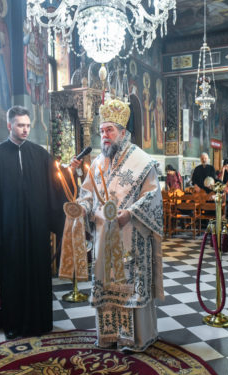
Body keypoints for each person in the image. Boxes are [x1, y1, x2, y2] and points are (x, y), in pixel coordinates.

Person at [71, 98, 164, 352]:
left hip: (131, 235)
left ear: (123, 133)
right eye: (102, 131)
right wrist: (83, 208)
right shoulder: (97, 163)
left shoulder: (142, 161)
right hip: (103, 236)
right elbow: (87, 194)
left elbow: (153, 197)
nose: (104, 135)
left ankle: (134, 339)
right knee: (107, 286)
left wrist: (130, 213)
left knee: (131, 286)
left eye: (109, 130)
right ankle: (109, 336)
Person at [0, 106, 64, 339]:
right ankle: (13, 325)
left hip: (37, 229)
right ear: (10, 126)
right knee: (13, 278)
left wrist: (68, 175)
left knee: (38, 274)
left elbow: (55, 185)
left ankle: (41, 322)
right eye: (20, 125)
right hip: (10, 231)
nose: (25, 129)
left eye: (27, 125)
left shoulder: (40, 154)